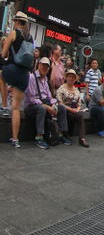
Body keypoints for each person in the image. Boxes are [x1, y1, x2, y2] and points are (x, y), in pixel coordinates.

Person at [24, 57, 73, 149]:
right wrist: (47, 107)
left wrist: (53, 104)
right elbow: (32, 99)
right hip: (31, 107)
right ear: (39, 65)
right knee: (41, 108)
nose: (45, 68)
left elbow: (49, 96)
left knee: (61, 107)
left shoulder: (45, 79)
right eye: (43, 66)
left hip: (44, 104)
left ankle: (60, 134)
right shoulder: (31, 78)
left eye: (47, 67)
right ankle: (39, 136)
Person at [1, 12, 33, 147]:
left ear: (18, 22)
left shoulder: (14, 33)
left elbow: (3, 54)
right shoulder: (30, 37)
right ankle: (15, 139)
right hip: (24, 74)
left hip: (12, 69)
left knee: (1, 76)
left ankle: (3, 106)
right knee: (16, 108)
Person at [56, 69, 89, 147]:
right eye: (69, 77)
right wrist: (70, 109)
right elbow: (59, 102)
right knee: (69, 114)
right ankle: (66, 134)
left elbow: (79, 103)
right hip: (64, 110)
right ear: (66, 78)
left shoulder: (76, 90)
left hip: (73, 110)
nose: (71, 79)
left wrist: (77, 109)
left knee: (80, 116)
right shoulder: (62, 88)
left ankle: (82, 138)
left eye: (73, 77)